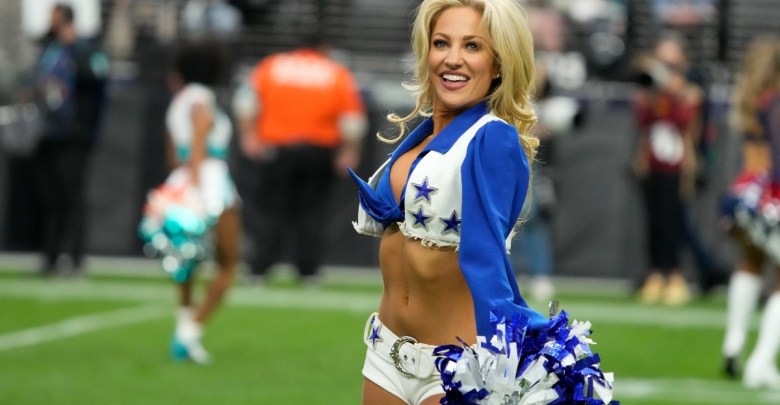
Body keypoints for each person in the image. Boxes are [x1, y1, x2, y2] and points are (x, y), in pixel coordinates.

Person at [350, 1, 614, 404]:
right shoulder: (421, 136)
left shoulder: (493, 138)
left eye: (472, 46)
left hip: (454, 370)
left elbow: (485, 257)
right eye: (441, 43)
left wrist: (520, 352)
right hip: (384, 355)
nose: (452, 58)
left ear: (498, 64)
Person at [236, 31, 367, 285]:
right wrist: (350, 149)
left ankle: (259, 267)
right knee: (312, 212)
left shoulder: (273, 66)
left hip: (278, 148)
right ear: (323, 47)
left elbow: (245, 102)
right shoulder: (335, 72)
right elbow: (352, 120)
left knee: (271, 209)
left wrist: (249, 135)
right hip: (319, 150)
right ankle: (308, 270)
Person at [164, 41, 241, 364]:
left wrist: (183, 184)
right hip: (208, 183)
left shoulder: (177, 101)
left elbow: (173, 155)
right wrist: (197, 186)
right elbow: (200, 133)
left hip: (180, 181)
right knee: (229, 265)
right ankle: (189, 332)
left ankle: (184, 326)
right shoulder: (202, 98)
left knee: (186, 265)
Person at [720, 36, 780, 389]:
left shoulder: (746, 98)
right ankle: (761, 361)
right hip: (769, 194)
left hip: (743, 192)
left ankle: (734, 342)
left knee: (750, 263)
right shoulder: (775, 102)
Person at [35, 3, 109, 275]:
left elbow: (98, 77)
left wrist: (77, 51)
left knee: (72, 195)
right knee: (52, 196)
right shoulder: (50, 49)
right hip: (49, 132)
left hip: (74, 134)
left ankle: (76, 258)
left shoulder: (84, 49)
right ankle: (51, 256)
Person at [632, 33, 702, 306]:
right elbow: (643, 118)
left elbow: (689, 121)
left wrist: (675, 91)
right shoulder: (650, 92)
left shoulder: (688, 92)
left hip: (677, 163)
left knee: (674, 220)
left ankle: (674, 273)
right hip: (653, 162)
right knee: (654, 220)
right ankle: (655, 273)